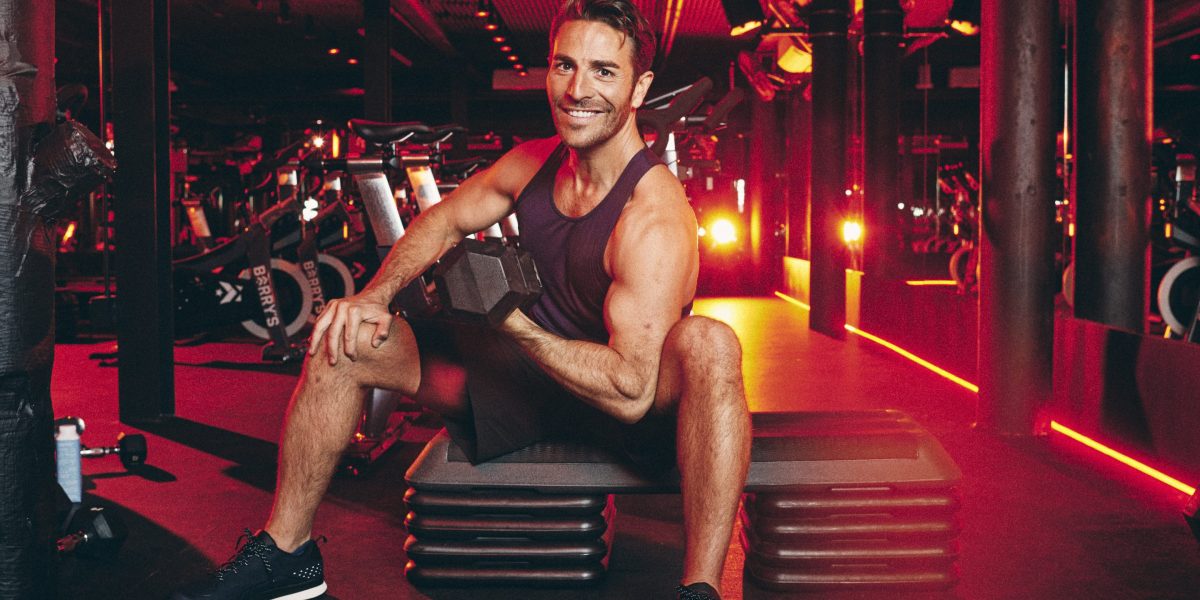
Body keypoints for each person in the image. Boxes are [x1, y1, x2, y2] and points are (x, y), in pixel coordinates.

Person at [172, 1, 750, 598]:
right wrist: (373, 297)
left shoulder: (653, 217)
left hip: (623, 412)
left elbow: (630, 392)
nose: (578, 89)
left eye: (603, 71)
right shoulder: (533, 162)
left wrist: (512, 323)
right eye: (565, 65)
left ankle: (700, 588)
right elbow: (444, 220)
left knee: (709, 343)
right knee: (345, 340)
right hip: (528, 385)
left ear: (638, 88)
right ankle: (287, 557)